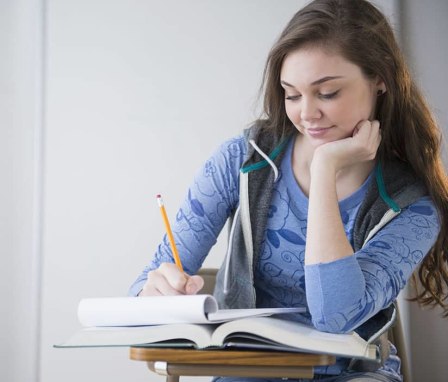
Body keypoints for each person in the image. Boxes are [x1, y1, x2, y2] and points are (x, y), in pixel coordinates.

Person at [129, 0, 448, 380]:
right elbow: (143, 286)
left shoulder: (411, 203)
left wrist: (325, 168)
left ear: (380, 79)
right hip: (246, 370)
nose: (306, 114)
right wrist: (153, 296)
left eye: (327, 93)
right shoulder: (245, 160)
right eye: (292, 94)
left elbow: (335, 316)